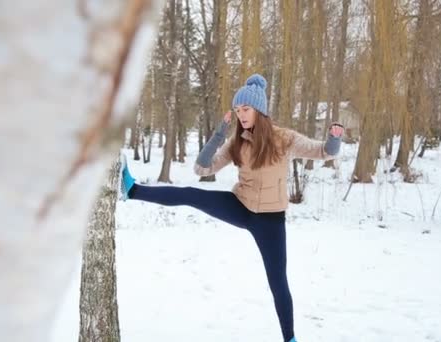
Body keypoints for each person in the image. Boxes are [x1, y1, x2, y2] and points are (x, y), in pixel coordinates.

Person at [119, 74, 344, 342]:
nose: (241, 115)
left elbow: (323, 152)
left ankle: (290, 339)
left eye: (245, 109)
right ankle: (132, 190)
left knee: (278, 281)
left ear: (259, 110)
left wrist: (333, 138)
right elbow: (202, 168)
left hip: (271, 222)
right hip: (240, 206)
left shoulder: (284, 139)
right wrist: (218, 135)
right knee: (191, 194)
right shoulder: (237, 142)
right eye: (238, 111)